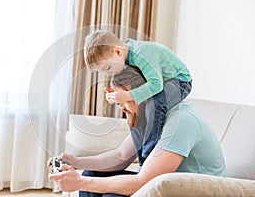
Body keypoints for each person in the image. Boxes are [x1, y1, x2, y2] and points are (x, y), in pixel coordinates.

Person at [48, 66, 226, 197]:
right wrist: (76, 162)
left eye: (125, 99)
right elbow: (120, 156)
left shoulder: (181, 120)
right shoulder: (148, 118)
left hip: (194, 192)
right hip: (168, 185)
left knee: (112, 195)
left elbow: (144, 181)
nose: (122, 107)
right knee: (91, 175)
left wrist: (79, 182)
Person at [83, 30, 192, 159]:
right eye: (103, 72)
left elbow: (156, 85)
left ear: (117, 52)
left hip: (179, 81)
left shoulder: (142, 53)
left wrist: (128, 95)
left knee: (153, 104)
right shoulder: (123, 59)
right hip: (161, 81)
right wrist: (115, 96)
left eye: (107, 68)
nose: (108, 73)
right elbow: (126, 86)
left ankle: (149, 154)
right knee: (136, 114)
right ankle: (142, 160)